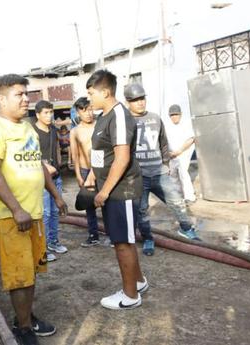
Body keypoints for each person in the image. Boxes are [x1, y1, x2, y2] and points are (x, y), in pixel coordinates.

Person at [0, 74, 68, 345]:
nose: (26, 98)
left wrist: (56, 196)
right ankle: (24, 329)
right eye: (19, 94)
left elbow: (38, 164)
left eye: (26, 94)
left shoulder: (28, 127)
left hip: (34, 212)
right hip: (11, 217)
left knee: (31, 272)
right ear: (2, 99)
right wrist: (16, 209)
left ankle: (24, 317)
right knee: (19, 276)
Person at [83, 70, 147, 310]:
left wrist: (104, 191)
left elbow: (121, 158)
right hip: (109, 188)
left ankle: (130, 296)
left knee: (122, 242)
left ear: (105, 92)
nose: (89, 98)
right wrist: (92, 176)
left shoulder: (119, 115)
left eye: (91, 93)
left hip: (122, 190)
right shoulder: (103, 116)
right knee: (122, 239)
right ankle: (138, 282)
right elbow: (100, 153)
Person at [124, 83, 199, 257]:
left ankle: (186, 229)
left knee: (177, 201)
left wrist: (165, 165)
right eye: (135, 100)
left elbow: (163, 143)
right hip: (138, 177)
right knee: (142, 211)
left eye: (142, 98)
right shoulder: (125, 122)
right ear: (128, 102)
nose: (140, 102)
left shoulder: (156, 118)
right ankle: (148, 239)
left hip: (159, 172)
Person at [32, 100, 67, 262]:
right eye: (45, 113)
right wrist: (46, 167)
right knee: (44, 213)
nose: (49, 115)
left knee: (54, 212)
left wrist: (58, 164)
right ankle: (42, 247)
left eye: (51, 112)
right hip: (41, 179)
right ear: (38, 114)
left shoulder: (53, 130)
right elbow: (33, 157)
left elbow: (58, 148)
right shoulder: (32, 132)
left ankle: (53, 241)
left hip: (56, 177)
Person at [69, 97, 100, 247]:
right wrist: (78, 175)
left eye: (89, 109)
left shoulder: (100, 126)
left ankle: (114, 235)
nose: (88, 113)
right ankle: (93, 235)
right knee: (89, 205)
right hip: (84, 169)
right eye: (84, 110)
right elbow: (75, 155)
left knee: (107, 201)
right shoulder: (75, 131)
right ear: (78, 112)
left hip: (101, 169)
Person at [165, 104, 196, 203]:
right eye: (172, 115)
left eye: (176, 114)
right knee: (172, 176)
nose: (174, 117)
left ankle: (190, 197)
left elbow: (191, 139)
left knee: (183, 174)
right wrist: (169, 153)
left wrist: (179, 151)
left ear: (181, 114)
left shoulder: (186, 124)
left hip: (183, 153)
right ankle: (177, 196)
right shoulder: (167, 126)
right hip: (172, 155)